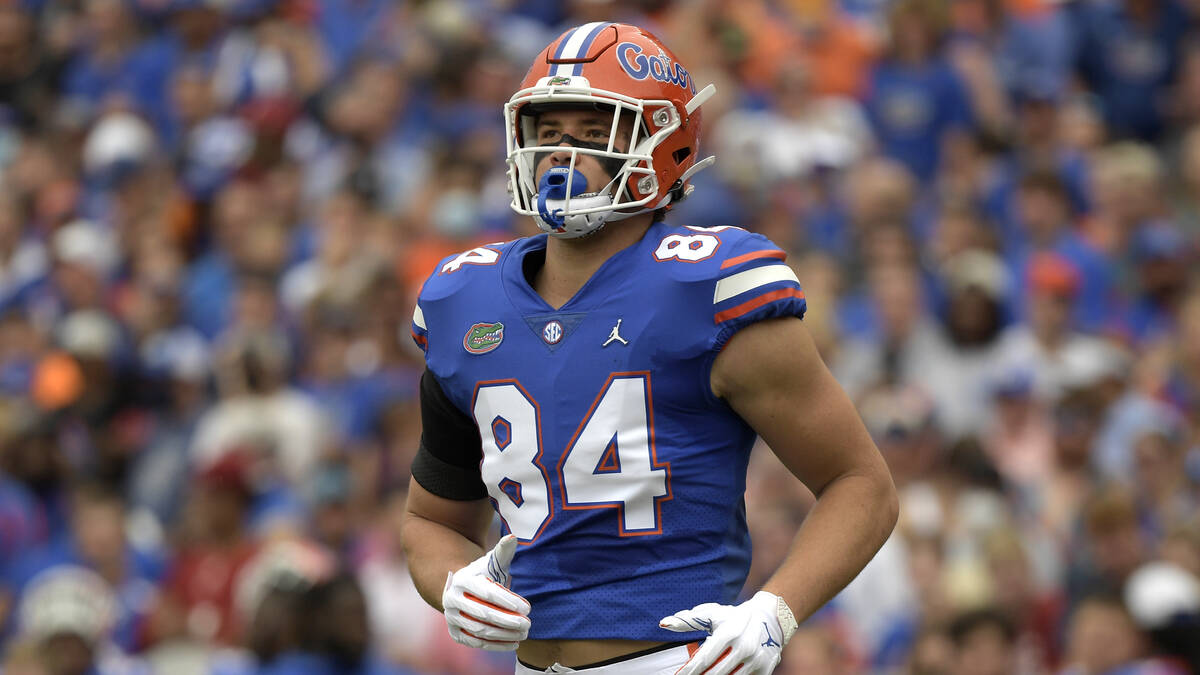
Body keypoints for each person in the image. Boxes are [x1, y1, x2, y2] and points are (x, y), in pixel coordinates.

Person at [401, 22, 898, 675]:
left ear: (661, 143)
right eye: (546, 131)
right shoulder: (464, 301)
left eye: (592, 131)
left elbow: (862, 484)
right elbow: (429, 520)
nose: (559, 153)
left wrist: (776, 609)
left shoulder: (707, 286)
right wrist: (451, 582)